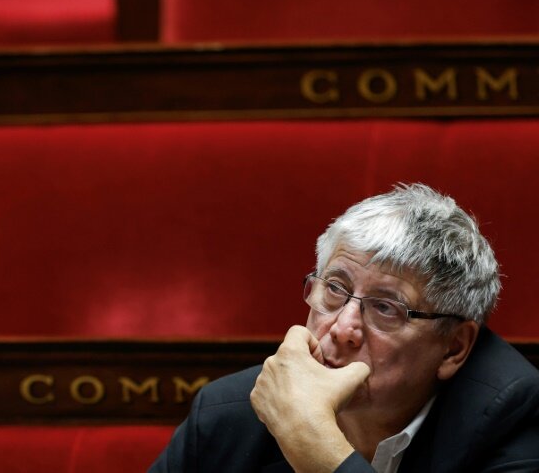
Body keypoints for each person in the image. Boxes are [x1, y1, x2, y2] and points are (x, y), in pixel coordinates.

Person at [149, 183, 539, 472]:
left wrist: (316, 447)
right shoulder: (230, 415)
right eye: (335, 289)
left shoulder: (509, 420)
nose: (342, 328)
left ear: (453, 347)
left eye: (386, 308)